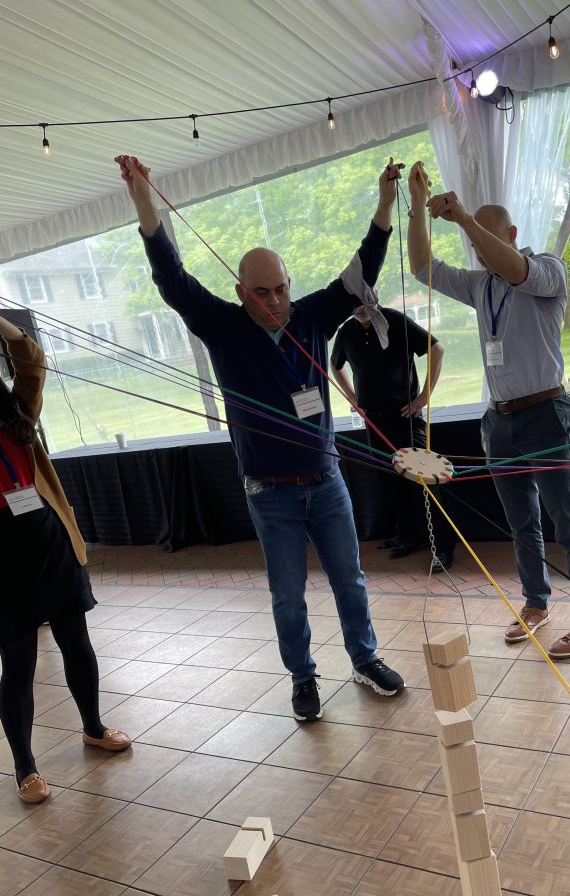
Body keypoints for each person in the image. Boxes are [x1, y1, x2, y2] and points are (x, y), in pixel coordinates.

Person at [116, 154, 406, 721]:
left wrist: (386, 203)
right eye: (262, 293)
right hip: (268, 493)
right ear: (241, 291)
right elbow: (171, 277)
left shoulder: (314, 316)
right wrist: (144, 200)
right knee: (287, 596)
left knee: (350, 579)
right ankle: (302, 677)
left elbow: (362, 269)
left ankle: (364, 659)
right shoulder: (222, 326)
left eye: (281, 289)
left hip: (326, 483)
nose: (274, 302)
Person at [406, 162, 570, 658]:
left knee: (567, 518)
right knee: (522, 523)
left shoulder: (546, 269)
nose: (478, 250)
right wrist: (415, 204)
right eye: (476, 246)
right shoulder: (480, 286)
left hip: (547, 412)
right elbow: (421, 267)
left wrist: (466, 220)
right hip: (500, 420)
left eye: (487, 239)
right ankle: (536, 603)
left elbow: (515, 269)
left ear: (511, 234)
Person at [0, 292, 131, 804]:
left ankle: (92, 727)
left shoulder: (17, 412)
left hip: (49, 545)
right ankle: (25, 768)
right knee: (17, 665)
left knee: (77, 644)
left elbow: (32, 360)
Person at [330, 292, 455, 571]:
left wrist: (424, 396)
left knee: (427, 481)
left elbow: (437, 348)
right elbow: (334, 365)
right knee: (391, 481)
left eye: (365, 299)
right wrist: (353, 399)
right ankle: (411, 537)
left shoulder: (395, 321)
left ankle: (444, 548)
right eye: (355, 301)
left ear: (375, 296)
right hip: (373, 421)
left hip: (405, 417)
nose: (361, 307)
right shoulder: (346, 331)